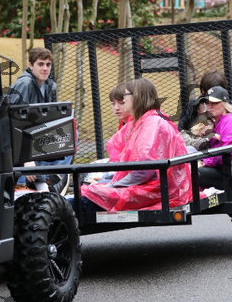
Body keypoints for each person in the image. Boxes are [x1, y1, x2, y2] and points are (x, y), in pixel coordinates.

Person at [74, 78, 192, 212]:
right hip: (152, 186)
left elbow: (144, 170)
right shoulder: (144, 121)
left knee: (85, 198)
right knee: (89, 189)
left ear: (137, 97)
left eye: (125, 96)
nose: (123, 100)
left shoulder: (151, 124)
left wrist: (111, 186)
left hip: (155, 190)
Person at [8, 47, 71, 194]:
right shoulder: (25, 84)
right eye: (41, 64)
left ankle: (50, 177)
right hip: (19, 142)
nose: (45, 68)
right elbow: (15, 123)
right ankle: (32, 181)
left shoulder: (48, 85)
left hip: (37, 136)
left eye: (48, 65)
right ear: (31, 65)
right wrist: (26, 159)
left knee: (70, 132)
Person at [197, 85, 232, 188]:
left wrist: (205, 162)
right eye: (207, 103)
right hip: (222, 167)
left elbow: (226, 152)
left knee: (195, 173)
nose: (209, 106)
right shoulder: (216, 122)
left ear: (225, 104)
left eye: (214, 103)